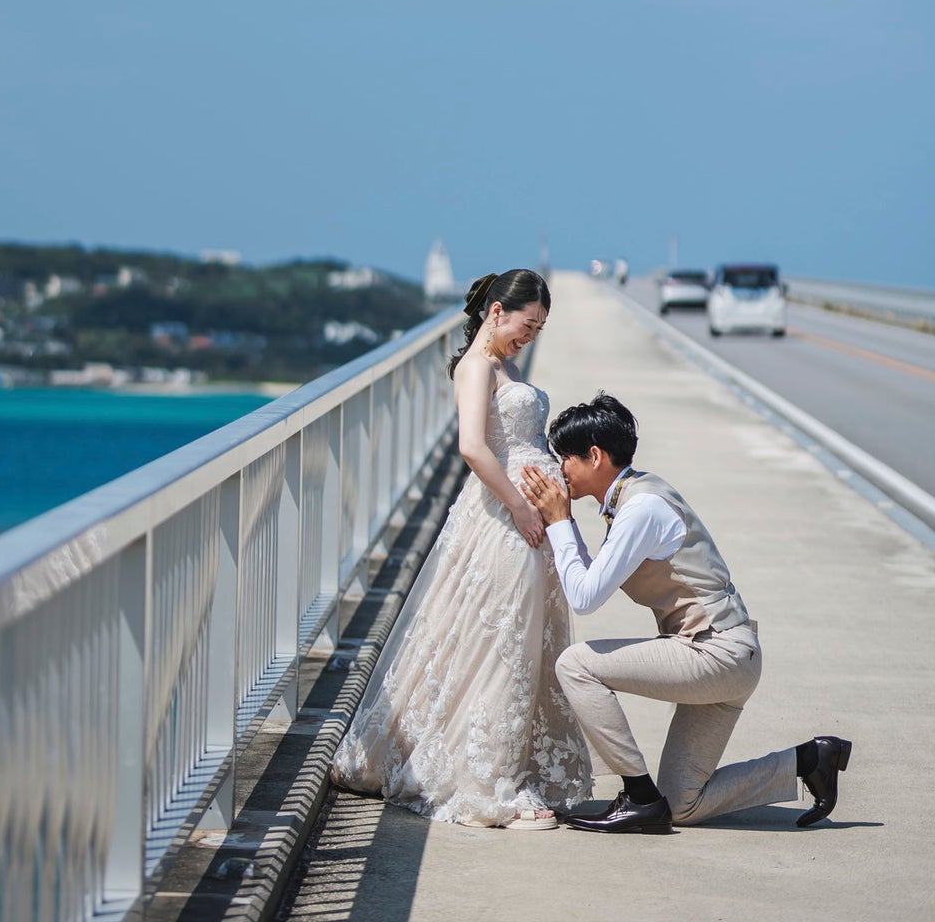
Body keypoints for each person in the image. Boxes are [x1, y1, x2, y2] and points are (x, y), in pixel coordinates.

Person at [331, 269, 593, 828]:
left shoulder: (507, 365)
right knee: (499, 637)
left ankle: (512, 762)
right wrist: (522, 507)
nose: (532, 335)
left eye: (541, 328)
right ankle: (489, 776)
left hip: (531, 518)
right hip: (502, 517)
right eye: (528, 324)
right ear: (496, 311)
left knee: (520, 639)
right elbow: (472, 447)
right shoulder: (477, 367)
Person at [521, 392, 851, 834]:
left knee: (576, 665)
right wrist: (564, 522)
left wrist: (560, 522)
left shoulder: (641, 509)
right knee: (682, 805)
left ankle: (637, 797)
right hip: (727, 655)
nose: (559, 470)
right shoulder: (637, 495)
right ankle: (810, 760)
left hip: (715, 654)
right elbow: (591, 576)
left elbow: (585, 597)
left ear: (595, 456)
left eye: (565, 459)